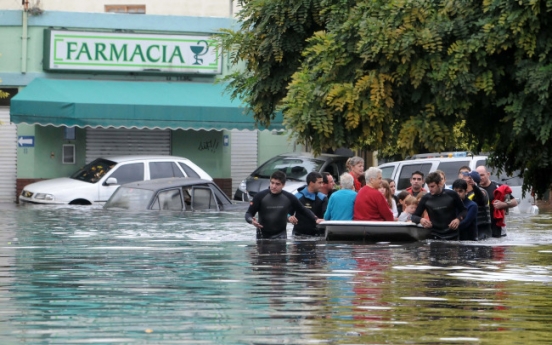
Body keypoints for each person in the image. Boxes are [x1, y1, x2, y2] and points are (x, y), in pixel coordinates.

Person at [245, 170, 321, 239]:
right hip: (262, 236)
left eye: (277, 184)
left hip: (281, 236)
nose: (274, 186)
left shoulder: (289, 197)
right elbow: (249, 213)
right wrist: (251, 220)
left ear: (283, 185)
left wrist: (316, 219)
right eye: (272, 183)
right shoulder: (260, 196)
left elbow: (303, 210)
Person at [411, 172, 467, 240]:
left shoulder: (452, 194)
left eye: (432, 186)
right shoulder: (426, 198)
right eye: (428, 186)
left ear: (439, 184)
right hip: (435, 235)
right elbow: (414, 216)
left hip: (452, 235)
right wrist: (421, 220)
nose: (430, 189)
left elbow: (464, 211)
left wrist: (458, 219)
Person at [476, 166, 518, 237]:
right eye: (478, 175)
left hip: (497, 227)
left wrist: (503, 204)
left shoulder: (499, 187)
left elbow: (514, 202)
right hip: (481, 227)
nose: (480, 178)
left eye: (482, 175)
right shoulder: (475, 189)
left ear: (488, 174)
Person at [293, 172, 328, 237]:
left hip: (317, 234)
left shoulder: (323, 198)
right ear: (311, 183)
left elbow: (326, 214)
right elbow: (288, 211)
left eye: (322, 183)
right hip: (298, 234)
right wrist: (289, 217)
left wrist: (325, 219)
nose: (322, 185)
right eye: (319, 183)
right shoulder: (297, 196)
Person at [461, 170, 492, 240]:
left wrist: (474, 186)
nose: (462, 178)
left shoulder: (482, 192)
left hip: (482, 231)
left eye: (465, 177)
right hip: (471, 228)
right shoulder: (465, 193)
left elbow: (480, 198)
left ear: (471, 181)